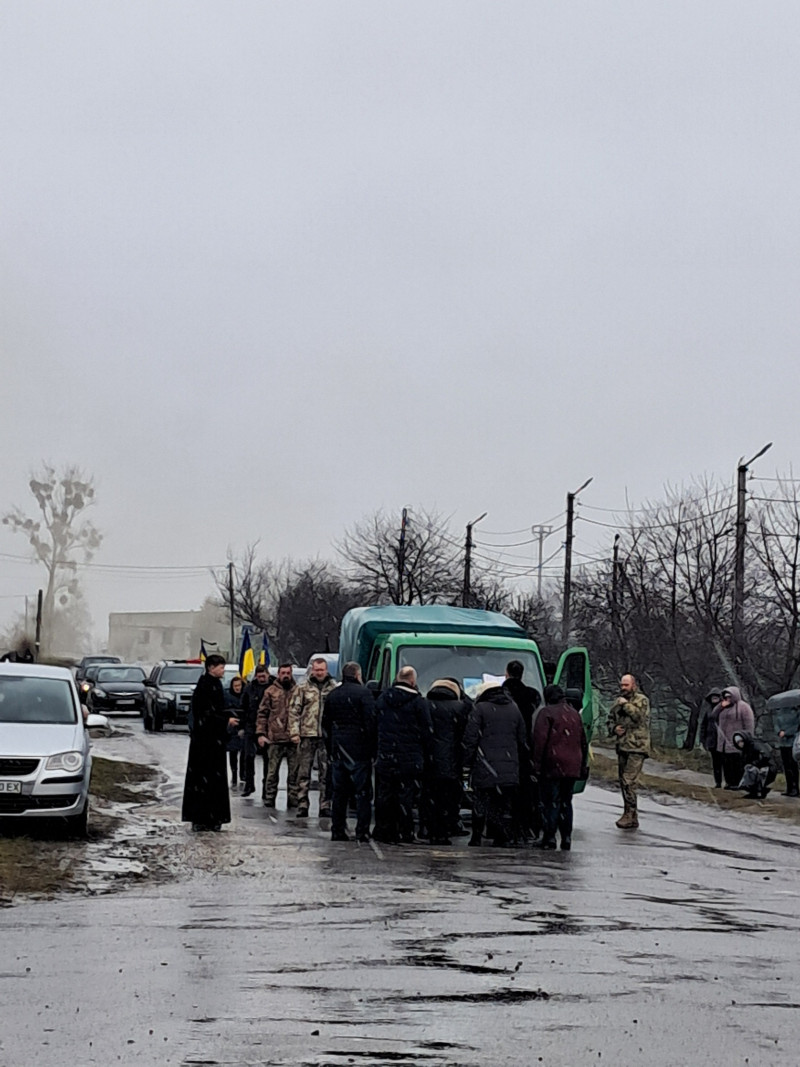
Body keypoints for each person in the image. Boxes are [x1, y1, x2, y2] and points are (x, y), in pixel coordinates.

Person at [462, 680, 527, 847]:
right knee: (503, 804)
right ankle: (502, 836)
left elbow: (471, 739)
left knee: (480, 802)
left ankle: (476, 837)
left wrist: (467, 765)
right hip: (509, 767)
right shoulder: (514, 708)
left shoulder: (480, 709)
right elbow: (522, 739)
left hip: (485, 765)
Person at [373, 666, 433, 844]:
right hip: (409, 758)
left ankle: (384, 830)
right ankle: (405, 832)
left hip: (386, 755)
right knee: (405, 796)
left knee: (385, 794)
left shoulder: (383, 698)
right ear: (413, 681)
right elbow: (427, 731)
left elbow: (374, 724)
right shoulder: (418, 702)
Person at [181, 654, 240, 832]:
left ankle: (213, 817)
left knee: (215, 781)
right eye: (220, 667)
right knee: (203, 780)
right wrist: (225, 721)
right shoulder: (205, 686)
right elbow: (205, 714)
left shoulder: (215, 685)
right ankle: (201, 818)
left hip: (214, 742)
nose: (223, 670)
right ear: (211, 668)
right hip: (204, 743)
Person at [321, 661, 376, 842]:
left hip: (339, 750)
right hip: (359, 751)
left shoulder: (333, 695)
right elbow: (370, 724)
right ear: (358, 675)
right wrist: (372, 749)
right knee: (362, 793)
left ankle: (337, 829)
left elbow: (325, 724)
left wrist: (331, 748)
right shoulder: (364, 694)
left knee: (339, 793)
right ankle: (362, 831)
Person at [531, 684, 589, 850]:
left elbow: (540, 741)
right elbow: (583, 742)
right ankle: (566, 837)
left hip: (553, 764)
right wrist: (582, 765)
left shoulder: (546, 713)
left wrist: (537, 766)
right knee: (566, 801)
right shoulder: (574, 714)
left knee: (551, 802)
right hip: (572, 765)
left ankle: (549, 838)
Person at [423, 678, 470, 845]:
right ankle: (443, 832)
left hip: (428, 760)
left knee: (429, 797)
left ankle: (429, 829)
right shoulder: (460, 707)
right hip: (451, 761)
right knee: (447, 798)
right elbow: (465, 733)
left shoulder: (425, 704)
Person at [289, 657, 337, 818]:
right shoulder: (302, 688)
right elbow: (294, 711)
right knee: (304, 772)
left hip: (325, 736)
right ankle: (302, 803)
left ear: (326, 670)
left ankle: (325, 805)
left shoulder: (333, 688)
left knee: (326, 772)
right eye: (316, 670)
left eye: (322, 670)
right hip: (306, 735)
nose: (319, 673)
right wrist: (294, 732)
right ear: (312, 670)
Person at [503, 660, 542, 841]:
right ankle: (523, 827)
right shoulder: (531, 695)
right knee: (524, 789)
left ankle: (504, 828)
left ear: (507, 673)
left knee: (503, 790)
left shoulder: (501, 695)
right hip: (525, 748)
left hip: (504, 747)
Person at [607, 673, 650, 830]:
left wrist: (625, 705)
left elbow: (639, 717)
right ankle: (630, 814)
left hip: (637, 747)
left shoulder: (642, 700)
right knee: (622, 782)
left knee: (629, 780)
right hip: (622, 746)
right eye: (621, 685)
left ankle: (630, 813)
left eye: (626, 685)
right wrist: (614, 729)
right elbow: (610, 718)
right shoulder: (617, 702)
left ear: (633, 685)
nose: (623, 688)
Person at [256, 664, 298, 809]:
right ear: (278, 674)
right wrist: (261, 734)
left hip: (294, 738)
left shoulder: (298, 691)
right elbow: (262, 714)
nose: (285, 675)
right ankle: (269, 799)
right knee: (272, 773)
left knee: (294, 774)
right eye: (283, 673)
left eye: (288, 673)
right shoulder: (270, 691)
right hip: (274, 739)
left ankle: (293, 800)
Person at [243, 663, 274, 800]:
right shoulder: (250, 688)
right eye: (259, 676)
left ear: (268, 674)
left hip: (269, 727)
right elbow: (243, 706)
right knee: (249, 756)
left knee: (268, 759)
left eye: (264, 676)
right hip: (251, 726)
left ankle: (266, 788)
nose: (262, 678)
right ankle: (249, 784)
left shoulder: (274, 686)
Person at [716, 687, 755, 790]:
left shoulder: (744, 707)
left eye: (730, 696)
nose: (728, 699)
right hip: (724, 742)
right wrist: (720, 706)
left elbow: (749, 724)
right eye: (726, 697)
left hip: (738, 740)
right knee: (726, 763)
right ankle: (729, 782)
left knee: (737, 763)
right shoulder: (723, 708)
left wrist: (747, 739)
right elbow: (712, 716)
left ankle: (737, 783)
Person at [732, 731, 780, 799]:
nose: (740, 744)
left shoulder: (756, 745)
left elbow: (766, 756)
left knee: (752, 770)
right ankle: (754, 791)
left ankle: (759, 791)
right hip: (760, 768)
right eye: (738, 743)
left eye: (741, 741)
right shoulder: (746, 749)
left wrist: (754, 763)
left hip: (768, 768)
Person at [773, 698, 800, 797]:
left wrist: (786, 732)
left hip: (792, 741)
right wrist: (779, 732)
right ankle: (789, 787)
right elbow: (775, 723)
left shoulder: (797, 713)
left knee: (793, 766)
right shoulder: (779, 712)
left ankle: (795, 788)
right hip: (782, 742)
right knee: (786, 765)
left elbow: (796, 726)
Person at [699, 688, 724, 788]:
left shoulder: (724, 709)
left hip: (723, 740)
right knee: (716, 763)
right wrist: (702, 739)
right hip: (712, 740)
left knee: (725, 762)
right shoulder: (708, 710)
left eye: (717, 696)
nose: (715, 698)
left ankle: (730, 782)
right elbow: (703, 725)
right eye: (713, 697)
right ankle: (718, 782)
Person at [225, 674, 245, 788]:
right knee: (233, 753)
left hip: (243, 727)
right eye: (235, 686)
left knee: (244, 753)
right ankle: (234, 774)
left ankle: (243, 774)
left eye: (239, 685)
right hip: (232, 728)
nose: (237, 688)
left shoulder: (245, 695)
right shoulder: (228, 697)